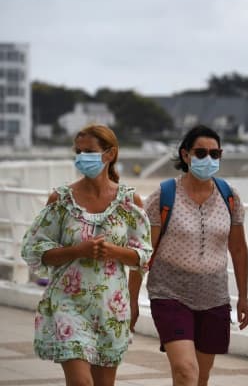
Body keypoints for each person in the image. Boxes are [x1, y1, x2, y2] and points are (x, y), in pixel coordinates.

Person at [21, 124, 153, 386]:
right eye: (78, 151)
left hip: (111, 308)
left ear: (109, 154)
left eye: (89, 151)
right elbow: (34, 250)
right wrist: (76, 251)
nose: (82, 157)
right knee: (81, 383)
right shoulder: (61, 199)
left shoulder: (129, 202)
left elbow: (144, 256)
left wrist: (113, 251)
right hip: (67, 304)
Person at [128, 125, 248, 386]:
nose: (208, 159)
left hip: (215, 298)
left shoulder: (230, 196)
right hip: (170, 294)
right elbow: (143, 253)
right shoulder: (164, 195)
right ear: (185, 155)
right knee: (185, 371)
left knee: (200, 378)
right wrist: (132, 301)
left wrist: (243, 296)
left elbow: (238, 250)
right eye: (201, 152)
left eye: (215, 154)